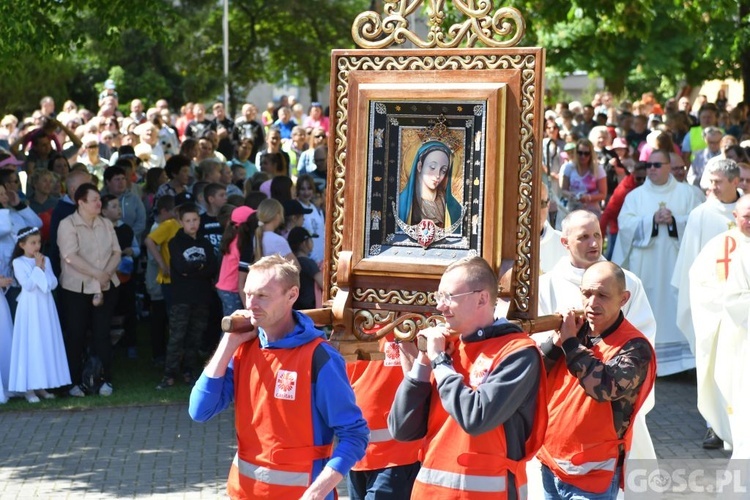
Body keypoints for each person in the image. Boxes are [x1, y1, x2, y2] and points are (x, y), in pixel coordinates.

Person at [189, 255, 369, 499]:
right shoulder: (242, 347)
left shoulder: (320, 357)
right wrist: (228, 344)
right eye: (248, 293)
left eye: (262, 295)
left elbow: (355, 435)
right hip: (244, 493)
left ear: (292, 295)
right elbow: (200, 411)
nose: (250, 303)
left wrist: (316, 492)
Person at [388, 256, 547, 498]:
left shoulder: (518, 353)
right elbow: (401, 428)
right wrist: (423, 362)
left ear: (482, 298)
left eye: (449, 297)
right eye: (439, 297)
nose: (440, 307)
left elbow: (476, 417)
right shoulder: (445, 347)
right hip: (430, 493)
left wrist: (440, 363)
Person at [538, 261, 656, 500]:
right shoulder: (575, 330)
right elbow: (536, 375)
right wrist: (554, 343)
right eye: (587, 294)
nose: (592, 303)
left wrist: (571, 344)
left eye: (602, 295)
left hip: (592, 474)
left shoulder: (636, 347)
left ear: (623, 299)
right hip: (551, 463)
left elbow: (603, 388)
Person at [612, 148, 703, 375]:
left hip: (677, 266)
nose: (651, 169)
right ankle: (647, 359)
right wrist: (650, 221)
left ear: (668, 167)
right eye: (648, 165)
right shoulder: (635, 196)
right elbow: (625, 225)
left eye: (656, 165)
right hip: (647, 267)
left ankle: (684, 364)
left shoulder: (688, 193)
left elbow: (698, 222)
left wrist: (676, 221)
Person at [686, 194, 750, 455]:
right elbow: (699, 283)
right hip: (728, 328)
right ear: (735, 217)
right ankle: (726, 430)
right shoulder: (719, 245)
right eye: (747, 216)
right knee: (730, 382)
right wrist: (726, 303)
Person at [58, 183, 121, 397]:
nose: (98, 203)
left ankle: (106, 379)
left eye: (99, 199)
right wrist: (98, 273)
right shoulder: (67, 225)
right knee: (76, 334)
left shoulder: (105, 223)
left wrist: (105, 275)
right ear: (81, 202)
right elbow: (70, 255)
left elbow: (116, 252)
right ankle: (74, 382)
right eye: (94, 199)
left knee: (103, 334)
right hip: (77, 289)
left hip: (106, 286)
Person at [672, 158, 741, 354]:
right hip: (711, 297)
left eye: (718, 182)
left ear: (735, 181)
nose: (712, 187)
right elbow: (689, 262)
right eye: (711, 181)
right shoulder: (700, 214)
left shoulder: (746, 211)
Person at [156, 202, 218, 390]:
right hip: (181, 298)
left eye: (195, 220)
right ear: (181, 222)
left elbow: (212, 267)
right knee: (177, 336)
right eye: (188, 221)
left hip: (201, 296)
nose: (192, 224)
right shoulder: (175, 242)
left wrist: (195, 270)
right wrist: (200, 268)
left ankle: (189, 371)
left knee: (195, 336)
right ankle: (169, 374)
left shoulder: (205, 243)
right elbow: (181, 267)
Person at [8, 227, 71, 403]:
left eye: (38, 242)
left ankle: (41, 385)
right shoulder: (18, 262)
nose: (37, 246)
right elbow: (28, 285)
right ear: (22, 245)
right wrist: (37, 269)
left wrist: (42, 269)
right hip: (29, 308)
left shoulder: (46, 260)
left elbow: (52, 283)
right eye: (32, 243)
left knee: (44, 341)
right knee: (31, 342)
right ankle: (29, 388)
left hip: (45, 306)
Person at [100, 194, 140, 359]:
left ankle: (130, 344)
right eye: (114, 206)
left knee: (128, 310)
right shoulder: (99, 229)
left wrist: (131, 251)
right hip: (107, 278)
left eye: (119, 206)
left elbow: (137, 248)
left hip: (125, 277)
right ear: (103, 210)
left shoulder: (126, 229)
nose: (118, 210)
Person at [397, 140, 461, 228]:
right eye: (432, 167)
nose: (437, 175)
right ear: (419, 166)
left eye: (443, 171)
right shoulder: (402, 203)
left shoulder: (450, 204)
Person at [216, 205, 257, 317]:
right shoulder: (241, 243)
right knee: (233, 325)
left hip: (226, 288)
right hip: (231, 290)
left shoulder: (233, 237)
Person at [559, 138, 607, 214]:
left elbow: (603, 194)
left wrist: (588, 197)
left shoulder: (598, 169)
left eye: (586, 153)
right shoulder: (569, 167)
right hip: (572, 209)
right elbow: (563, 190)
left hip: (592, 211)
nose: (583, 156)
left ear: (591, 154)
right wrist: (571, 195)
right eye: (580, 153)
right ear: (576, 153)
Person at [287, 227, 321, 311]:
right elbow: (324, 283)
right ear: (304, 243)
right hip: (309, 308)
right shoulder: (308, 263)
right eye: (310, 240)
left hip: (295, 306)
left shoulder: (291, 262)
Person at [538, 183, 566, 273]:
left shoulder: (566, 244)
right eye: (528, 203)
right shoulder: (507, 246)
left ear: (548, 205)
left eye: (541, 203)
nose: (535, 210)